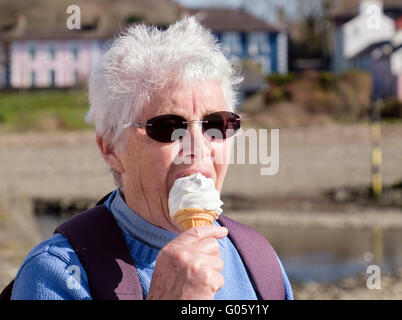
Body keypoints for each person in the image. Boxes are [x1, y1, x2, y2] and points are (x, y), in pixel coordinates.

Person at [10, 17, 293, 300]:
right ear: (111, 148)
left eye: (216, 124)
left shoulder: (259, 262)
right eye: (169, 127)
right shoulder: (55, 276)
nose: (197, 146)